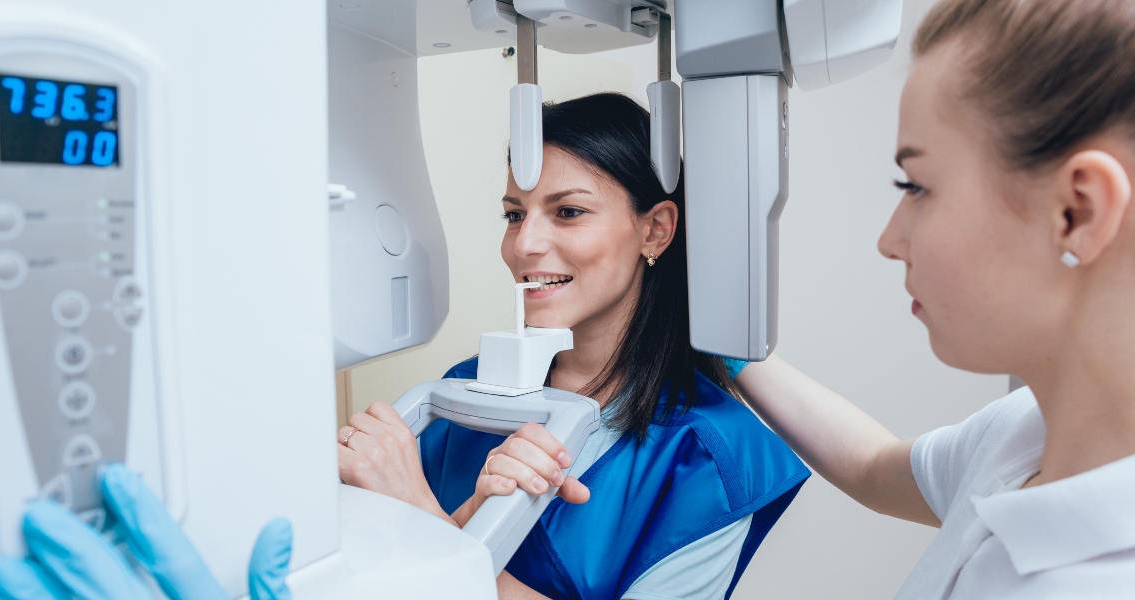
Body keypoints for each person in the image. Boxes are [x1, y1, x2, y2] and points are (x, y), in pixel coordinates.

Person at [731, 0, 1135, 597]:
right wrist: (731, 350)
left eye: (917, 185)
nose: (889, 240)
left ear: (1078, 211)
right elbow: (872, 465)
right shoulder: (1028, 432)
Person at [337, 94, 809, 599]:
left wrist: (420, 518)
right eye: (514, 216)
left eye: (567, 211)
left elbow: (423, 554)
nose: (524, 246)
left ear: (656, 229)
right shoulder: (459, 397)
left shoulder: (709, 455)